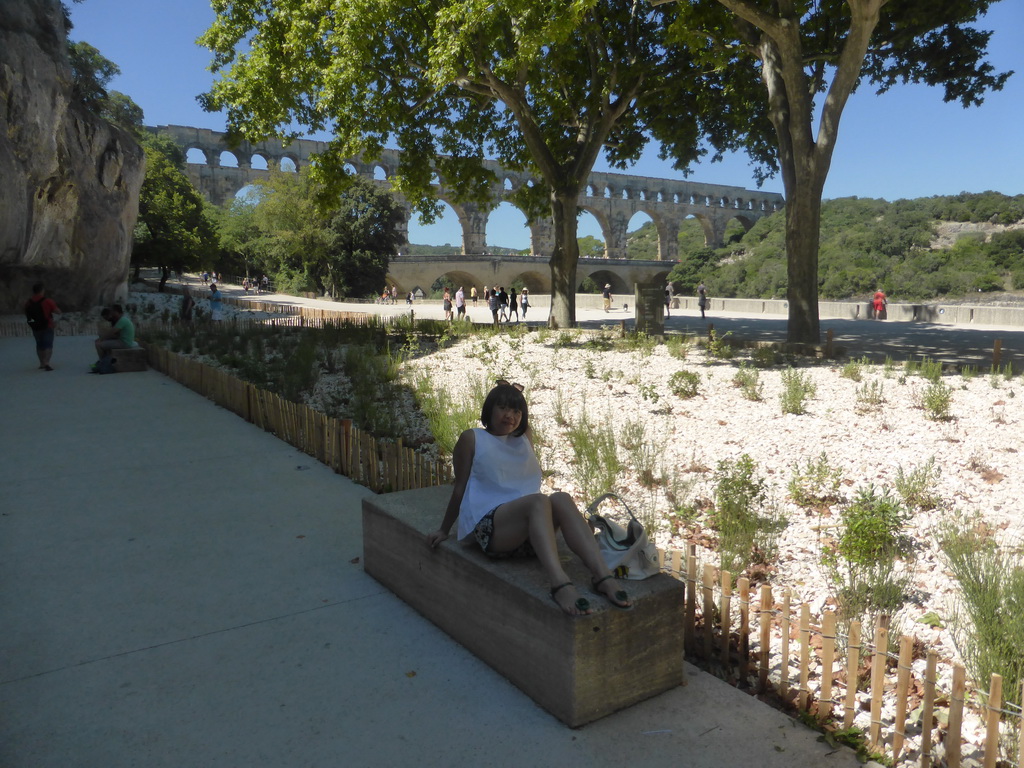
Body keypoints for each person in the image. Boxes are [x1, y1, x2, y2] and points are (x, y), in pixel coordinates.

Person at [426, 380, 632, 616]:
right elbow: (460, 487)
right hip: (491, 530)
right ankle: (559, 583)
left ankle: (602, 576)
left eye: (516, 411)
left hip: (531, 531)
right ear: (489, 409)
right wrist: (444, 530)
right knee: (538, 501)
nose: (510, 415)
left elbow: (524, 437)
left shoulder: (523, 438)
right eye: (502, 408)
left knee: (561, 498)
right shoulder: (472, 438)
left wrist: (517, 398)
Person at [24, 282, 62, 371]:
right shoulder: (47, 301)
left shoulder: (28, 302)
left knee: (39, 344)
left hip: (35, 326)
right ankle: (47, 362)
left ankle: (41, 363)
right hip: (47, 325)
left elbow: (27, 314)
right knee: (48, 344)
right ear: (42, 291)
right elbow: (58, 311)